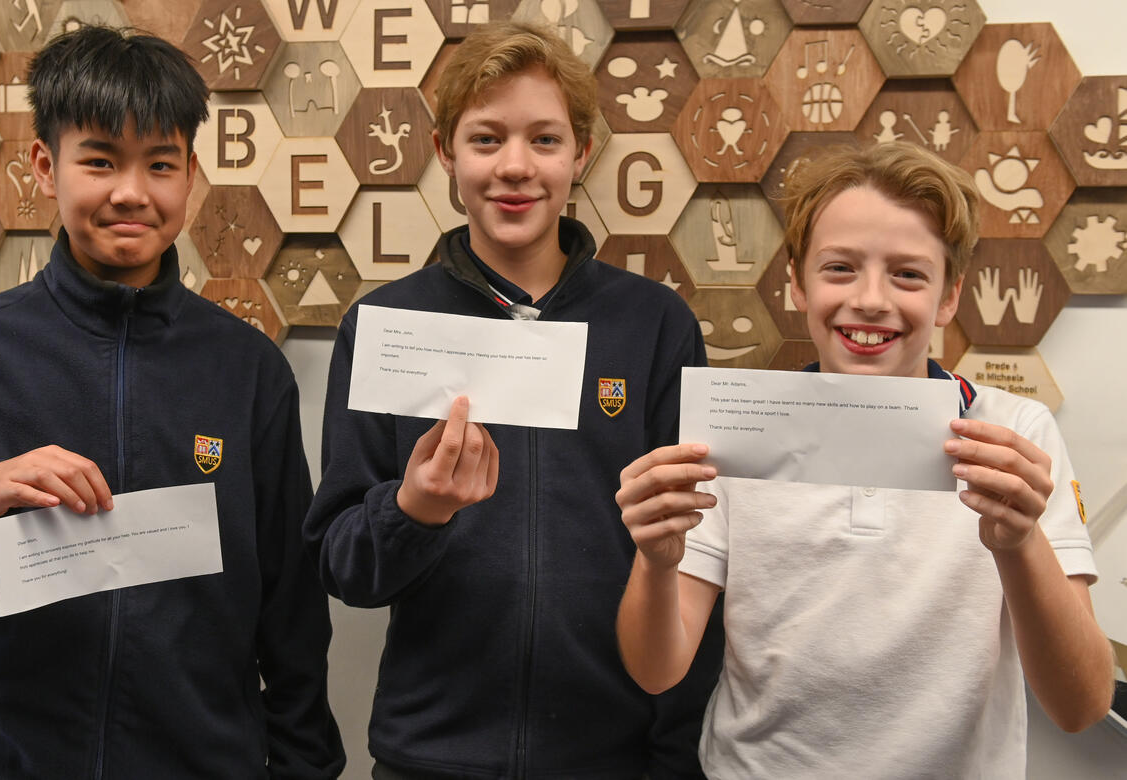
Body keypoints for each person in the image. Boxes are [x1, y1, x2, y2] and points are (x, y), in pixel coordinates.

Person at [0, 26, 343, 779]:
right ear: (45, 166)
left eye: (159, 164)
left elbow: (292, 610)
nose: (131, 192)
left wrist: (304, 765)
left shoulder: (249, 371)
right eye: (100, 161)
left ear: (191, 173)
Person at [615, 142, 1114, 777]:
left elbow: (1083, 704)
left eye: (908, 274)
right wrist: (657, 561)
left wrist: (1018, 544)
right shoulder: (732, 433)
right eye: (840, 268)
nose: (872, 299)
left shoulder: (1015, 433)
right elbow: (656, 672)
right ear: (795, 284)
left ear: (950, 295)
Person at [304, 20, 720, 780]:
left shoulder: (655, 327)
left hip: (612, 756)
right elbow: (342, 567)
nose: (516, 168)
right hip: (428, 755)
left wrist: (672, 759)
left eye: (546, 141)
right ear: (444, 154)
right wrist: (414, 510)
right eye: (486, 139)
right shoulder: (385, 327)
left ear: (581, 154)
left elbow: (698, 558)